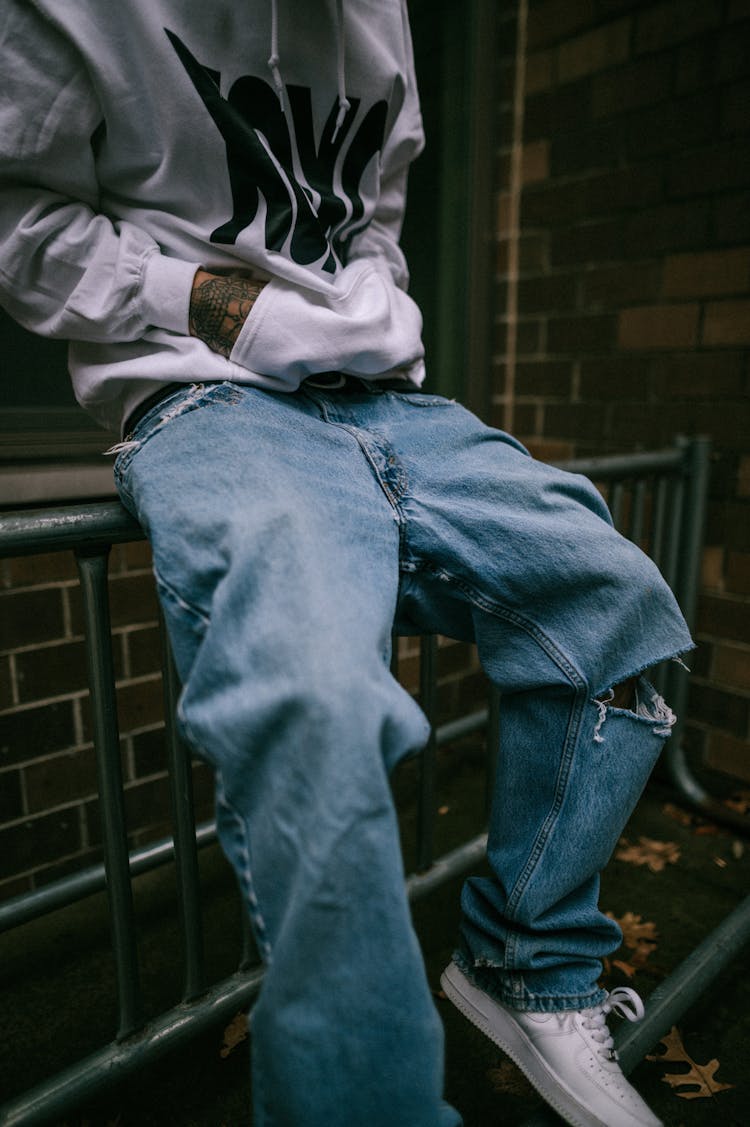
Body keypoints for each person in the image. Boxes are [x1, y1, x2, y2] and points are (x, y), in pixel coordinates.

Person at [0, 3, 693, 1125]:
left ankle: (530, 965)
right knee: (318, 701)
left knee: (615, 600)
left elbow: (370, 210)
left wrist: (377, 305)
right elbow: (18, 226)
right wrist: (224, 308)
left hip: (385, 400)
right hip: (202, 400)